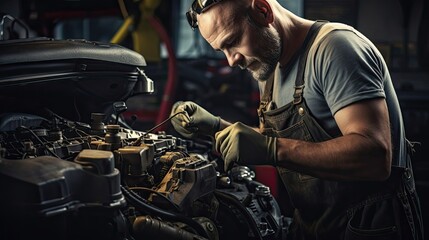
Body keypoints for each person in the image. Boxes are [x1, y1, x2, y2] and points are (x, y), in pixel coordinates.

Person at [170, 0, 424, 239]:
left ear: (263, 11)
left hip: (369, 228)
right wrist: (216, 126)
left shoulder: (336, 49)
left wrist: (273, 150)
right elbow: (276, 139)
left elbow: (376, 158)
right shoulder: (268, 66)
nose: (231, 59)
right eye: (221, 50)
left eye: (234, 41)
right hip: (313, 225)